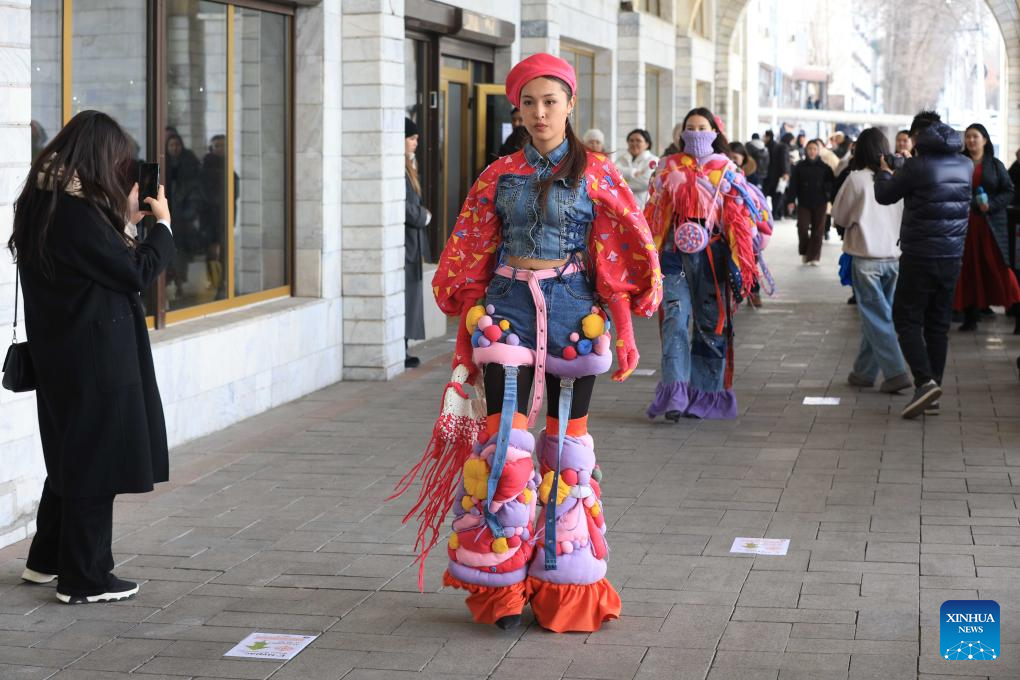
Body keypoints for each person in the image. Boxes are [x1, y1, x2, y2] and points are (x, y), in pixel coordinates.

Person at [420, 53, 661, 633]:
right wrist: (465, 338)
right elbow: (473, 254)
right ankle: (500, 587)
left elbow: (614, 255)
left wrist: (625, 330)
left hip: (576, 313)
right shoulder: (498, 174)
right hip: (506, 312)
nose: (539, 112)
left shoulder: (598, 173)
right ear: (518, 109)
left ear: (570, 104)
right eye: (528, 102)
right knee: (503, 445)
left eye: (550, 101)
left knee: (568, 450)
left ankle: (564, 588)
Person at [8, 110, 175, 604]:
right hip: (94, 357)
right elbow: (134, 272)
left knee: (71, 456)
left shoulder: (43, 200)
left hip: (61, 353)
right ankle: (86, 578)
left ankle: (46, 560)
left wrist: (124, 221)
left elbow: (95, 265)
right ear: (98, 157)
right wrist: (163, 228)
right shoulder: (75, 213)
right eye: (117, 160)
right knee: (96, 463)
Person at [645, 107, 773, 420]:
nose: (696, 133)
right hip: (673, 255)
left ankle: (705, 395)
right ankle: (675, 393)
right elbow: (654, 212)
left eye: (703, 127)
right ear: (682, 132)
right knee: (674, 321)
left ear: (715, 132)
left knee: (710, 326)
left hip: (712, 257)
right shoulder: (667, 167)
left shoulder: (727, 169)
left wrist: (740, 262)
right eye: (691, 127)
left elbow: (739, 221)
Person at [875, 110, 972, 419]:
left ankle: (925, 382)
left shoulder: (917, 167)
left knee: (905, 318)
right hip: (952, 255)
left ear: (918, 136)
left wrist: (884, 172)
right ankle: (933, 392)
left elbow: (885, 196)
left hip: (920, 255)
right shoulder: (966, 164)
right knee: (938, 324)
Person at [832, 128, 911, 394]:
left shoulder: (856, 179)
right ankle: (863, 373)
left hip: (866, 259)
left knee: (876, 318)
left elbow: (840, 217)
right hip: (895, 259)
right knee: (878, 317)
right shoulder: (898, 178)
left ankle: (896, 372)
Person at [954, 123, 1020, 333]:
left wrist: (990, 205)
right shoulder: (959, 163)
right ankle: (970, 316)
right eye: (968, 137)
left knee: (999, 267)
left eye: (975, 136)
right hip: (966, 224)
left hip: (992, 225)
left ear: (985, 140)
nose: (971, 140)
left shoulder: (995, 165)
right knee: (968, 268)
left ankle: (1017, 313)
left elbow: (1009, 191)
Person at [404, 118, 432, 368]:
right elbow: (403, 205)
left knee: (410, 294)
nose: (415, 143)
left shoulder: (409, 166)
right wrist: (423, 216)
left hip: (411, 242)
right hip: (405, 242)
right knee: (406, 295)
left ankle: (403, 346)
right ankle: (401, 348)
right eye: (411, 139)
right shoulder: (400, 168)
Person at [785, 139, 834, 265]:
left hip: (820, 202)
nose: (812, 151)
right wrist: (791, 200)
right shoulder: (799, 167)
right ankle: (805, 252)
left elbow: (831, 184)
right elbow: (793, 185)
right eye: (809, 149)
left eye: (814, 149)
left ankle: (814, 257)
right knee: (802, 227)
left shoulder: (825, 167)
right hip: (804, 202)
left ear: (818, 151)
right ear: (806, 150)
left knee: (818, 231)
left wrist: (828, 195)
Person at [615, 129, 658, 207]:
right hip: (622, 206)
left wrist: (619, 184)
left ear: (647, 144)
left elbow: (645, 182)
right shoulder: (621, 159)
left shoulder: (653, 161)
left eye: (638, 141)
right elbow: (612, 175)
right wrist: (632, 172)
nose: (634, 143)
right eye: (631, 141)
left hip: (643, 207)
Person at [763, 130, 791, 220]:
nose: (763, 138)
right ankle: (775, 213)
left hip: (772, 175)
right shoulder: (774, 146)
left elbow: (783, 160)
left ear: (768, 137)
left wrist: (785, 172)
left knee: (773, 195)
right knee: (777, 195)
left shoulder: (773, 146)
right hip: (776, 175)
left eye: (764, 136)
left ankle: (773, 213)